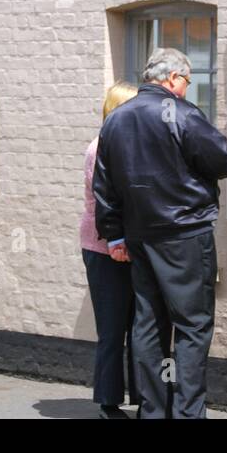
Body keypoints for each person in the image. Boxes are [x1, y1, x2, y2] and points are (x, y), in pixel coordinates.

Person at [93, 47, 227, 419]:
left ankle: (152, 411)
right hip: (184, 236)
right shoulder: (181, 114)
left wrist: (115, 236)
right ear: (172, 79)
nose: (186, 89)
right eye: (186, 81)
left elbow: (104, 186)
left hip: (140, 238)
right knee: (192, 326)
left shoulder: (115, 120)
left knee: (148, 324)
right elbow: (219, 159)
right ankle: (186, 413)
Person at [81, 81, 141, 419]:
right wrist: (117, 241)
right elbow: (104, 204)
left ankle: (145, 397)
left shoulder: (130, 147)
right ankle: (108, 402)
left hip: (132, 248)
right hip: (103, 250)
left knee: (141, 326)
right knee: (113, 326)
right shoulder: (99, 148)